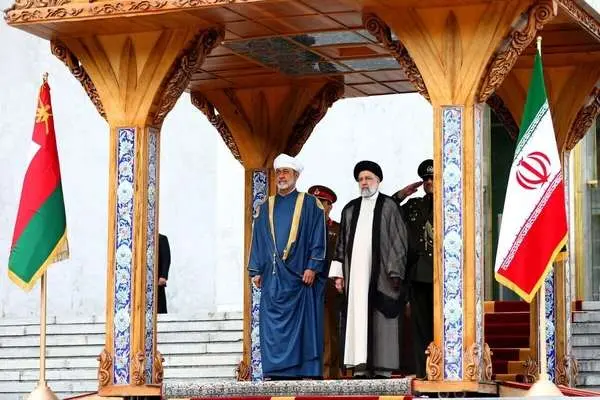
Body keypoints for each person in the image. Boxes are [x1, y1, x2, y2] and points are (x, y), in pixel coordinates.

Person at [248, 154, 327, 380]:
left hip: (301, 277)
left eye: (286, 172)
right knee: (272, 327)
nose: (281, 176)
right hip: (273, 279)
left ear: (296, 175)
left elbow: (318, 236)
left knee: (304, 328)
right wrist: (255, 270)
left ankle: (305, 371)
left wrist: (313, 266)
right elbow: (258, 239)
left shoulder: (310, 204)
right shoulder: (265, 207)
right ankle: (276, 372)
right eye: (278, 172)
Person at [329, 160, 408, 378]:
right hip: (355, 277)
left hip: (382, 277)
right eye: (361, 179)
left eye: (368, 178)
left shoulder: (389, 206)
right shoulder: (350, 209)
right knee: (357, 318)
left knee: (381, 319)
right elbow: (341, 243)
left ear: (378, 180)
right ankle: (359, 366)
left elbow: (399, 239)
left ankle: (383, 368)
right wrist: (339, 275)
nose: (364, 182)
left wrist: (395, 272)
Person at [393, 159, 434, 379]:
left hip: (446, 275)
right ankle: (423, 372)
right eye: (426, 179)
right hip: (418, 274)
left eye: (433, 178)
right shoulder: (414, 205)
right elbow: (387, 210)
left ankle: (446, 370)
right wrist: (402, 194)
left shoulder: (454, 202)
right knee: (420, 327)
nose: (429, 182)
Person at [308, 185, 341, 379]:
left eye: (322, 202)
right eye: (314, 202)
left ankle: (328, 372)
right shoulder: (303, 229)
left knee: (329, 331)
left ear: (330, 206)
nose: (318, 206)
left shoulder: (337, 229)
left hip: (328, 287)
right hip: (307, 286)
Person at [157, 233, 171, 314]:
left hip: (157, 277)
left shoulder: (161, 238)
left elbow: (166, 258)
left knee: (159, 302)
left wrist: (163, 276)